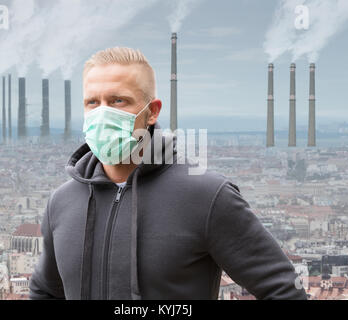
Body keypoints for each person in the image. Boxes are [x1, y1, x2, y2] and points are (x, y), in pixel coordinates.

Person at [28, 47, 307, 300]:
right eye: (92, 102)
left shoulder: (206, 195)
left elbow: (284, 291)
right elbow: (45, 292)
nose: (103, 113)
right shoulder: (62, 202)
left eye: (118, 101)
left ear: (152, 112)